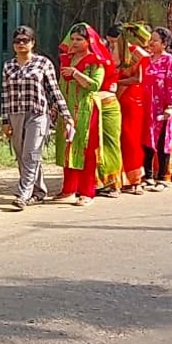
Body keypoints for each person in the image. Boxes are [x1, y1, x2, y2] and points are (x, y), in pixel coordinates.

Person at [1, 26, 73, 210]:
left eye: (25, 40)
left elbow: (54, 90)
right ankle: (39, 192)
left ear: (33, 43)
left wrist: (66, 116)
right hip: (15, 113)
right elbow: (5, 95)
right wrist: (5, 121)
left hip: (38, 114)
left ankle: (23, 194)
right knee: (22, 155)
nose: (21, 44)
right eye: (17, 41)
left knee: (31, 154)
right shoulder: (8, 66)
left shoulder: (43, 63)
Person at [52, 23, 120, 208]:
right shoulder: (67, 58)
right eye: (72, 39)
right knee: (68, 148)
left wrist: (76, 74)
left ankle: (87, 191)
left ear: (88, 41)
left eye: (79, 39)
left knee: (86, 149)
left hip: (86, 109)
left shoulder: (95, 61)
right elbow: (59, 84)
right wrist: (55, 105)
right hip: (66, 109)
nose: (74, 42)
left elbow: (95, 85)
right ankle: (68, 189)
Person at [113, 23, 151, 194]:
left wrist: (117, 83)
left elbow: (138, 78)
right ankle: (118, 178)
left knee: (131, 138)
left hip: (132, 99)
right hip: (116, 99)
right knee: (117, 138)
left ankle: (135, 179)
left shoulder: (138, 54)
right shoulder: (116, 52)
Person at [142, 27, 172, 191]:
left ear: (164, 43)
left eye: (155, 40)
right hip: (147, 107)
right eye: (150, 39)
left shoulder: (171, 62)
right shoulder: (147, 60)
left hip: (163, 107)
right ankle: (148, 176)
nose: (151, 43)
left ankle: (162, 177)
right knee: (147, 141)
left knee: (162, 141)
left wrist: (170, 106)